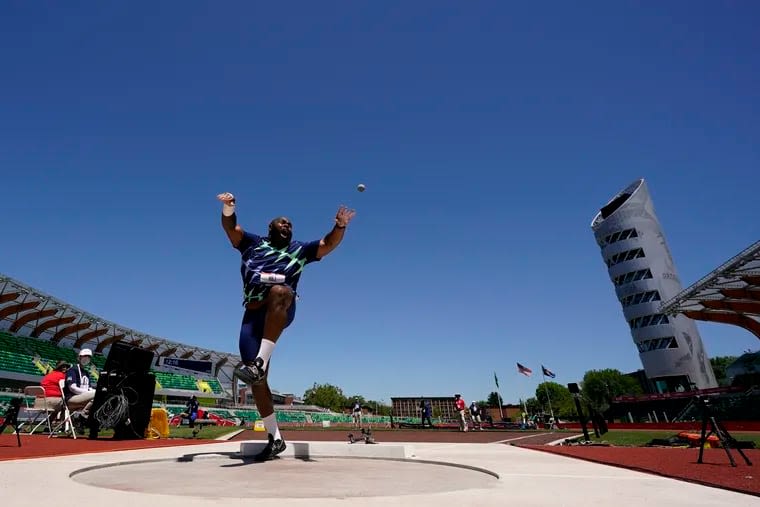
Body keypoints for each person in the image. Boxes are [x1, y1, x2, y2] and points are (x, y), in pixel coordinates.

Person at [217, 191, 355, 461]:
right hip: (252, 317)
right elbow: (231, 229)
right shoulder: (253, 244)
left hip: (281, 308)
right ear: (270, 228)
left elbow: (327, 243)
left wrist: (340, 226)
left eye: (291, 224)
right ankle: (275, 437)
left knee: (281, 290)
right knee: (258, 384)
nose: (288, 226)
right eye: (283, 223)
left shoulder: (300, 250)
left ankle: (259, 362)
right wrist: (229, 208)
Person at [64, 349, 96, 428]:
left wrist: (94, 391)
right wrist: (88, 392)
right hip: (71, 398)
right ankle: (82, 417)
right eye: (84, 356)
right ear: (79, 357)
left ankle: (85, 420)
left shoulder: (86, 373)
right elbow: (72, 388)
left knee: (100, 396)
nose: (86, 358)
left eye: (88, 357)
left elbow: (89, 388)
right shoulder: (72, 370)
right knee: (96, 395)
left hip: (82, 397)